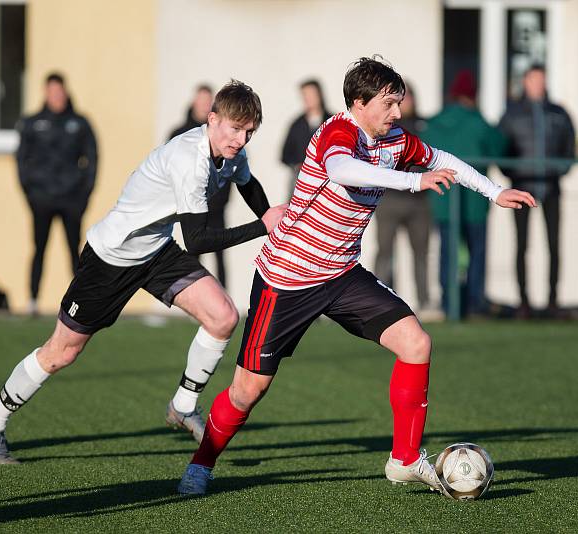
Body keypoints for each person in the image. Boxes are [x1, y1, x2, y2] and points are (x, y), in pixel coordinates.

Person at [176, 57, 535, 495]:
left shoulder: (395, 141)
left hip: (342, 275)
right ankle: (202, 463)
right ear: (359, 102)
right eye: (389, 104)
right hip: (287, 279)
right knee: (247, 391)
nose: (397, 113)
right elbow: (344, 171)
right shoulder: (336, 133)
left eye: (399, 103)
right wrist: (413, 182)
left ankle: (404, 458)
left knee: (416, 343)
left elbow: (442, 158)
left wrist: (494, 192)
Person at [0, 80, 287, 464]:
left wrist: (269, 216)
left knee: (223, 316)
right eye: (235, 128)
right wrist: (265, 226)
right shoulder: (189, 159)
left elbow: (247, 183)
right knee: (61, 352)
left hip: (155, 251)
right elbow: (199, 240)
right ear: (212, 119)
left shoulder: (232, 152)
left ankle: (183, 405)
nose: (241, 138)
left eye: (249, 131)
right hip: (111, 258)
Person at [423, 70, 505, 317]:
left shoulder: (434, 122)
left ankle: (449, 304)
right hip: (475, 203)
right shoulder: (478, 122)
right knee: (476, 253)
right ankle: (474, 303)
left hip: (442, 200)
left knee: (447, 254)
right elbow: (499, 148)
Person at [16, 73, 98, 315]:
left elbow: (92, 160)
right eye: (52, 92)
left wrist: (84, 196)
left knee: (75, 251)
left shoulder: (80, 123)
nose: (57, 96)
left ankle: (81, 304)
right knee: (39, 248)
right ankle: (32, 300)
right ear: (45, 93)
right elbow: (21, 161)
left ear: (65, 92)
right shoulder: (32, 123)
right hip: (42, 199)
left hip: (71, 199)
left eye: (60, 92)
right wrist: (31, 195)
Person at [498, 64, 574, 317]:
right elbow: (502, 148)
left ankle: (553, 301)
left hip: (551, 187)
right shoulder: (512, 113)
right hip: (522, 187)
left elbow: (569, 147)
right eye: (534, 80)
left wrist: (559, 170)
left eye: (542, 80)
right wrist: (513, 173)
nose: (538, 85)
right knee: (522, 246)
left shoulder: (559, 113)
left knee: (554, 245)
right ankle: (524, 302)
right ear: (526, 82)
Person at [373, 82, 435, 317]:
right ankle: (381, 301)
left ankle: (425, 301)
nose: (403, 105)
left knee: (420, 252)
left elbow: (431, 158)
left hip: (419, 202)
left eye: (407, 99)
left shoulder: (425, 126)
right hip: (389, 199)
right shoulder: (387, 128)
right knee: (385, 252)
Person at [169, 85, 232, 287]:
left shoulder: (221, 134)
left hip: (216, 206)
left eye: (208, 102)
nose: (204, 105)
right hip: (191, 208)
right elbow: (171, 169)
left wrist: (221, 198)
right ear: (194, 102)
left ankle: (224, 298)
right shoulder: (179, 134)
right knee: (194, 254)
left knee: (220, 254)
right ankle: (197, 298)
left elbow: (229, 168)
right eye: (202, 101)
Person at [280, 79, 332, 188]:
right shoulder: (296, 125)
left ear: (319, 94)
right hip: (302, 179)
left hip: (329, 179)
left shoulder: (333, 122)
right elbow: (285, 155)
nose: (308, 99)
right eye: (305, 95)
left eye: (311, 94)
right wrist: (298, 165)